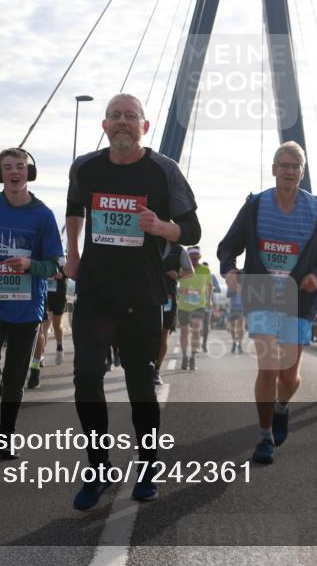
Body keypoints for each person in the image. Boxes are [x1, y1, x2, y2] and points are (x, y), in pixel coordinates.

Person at [64, 93, 200, 509]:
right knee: (87, 380)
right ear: (104, 125)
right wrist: (72, 251)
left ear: (145, 125)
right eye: (115, 116)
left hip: (142, 296)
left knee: (140, 386)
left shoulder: (163, 171)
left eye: (131, 116)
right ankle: (99, 468)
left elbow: (192, 229)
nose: (123, 122)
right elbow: (74, 208)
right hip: (95, 293)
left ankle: (147, 466)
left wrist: (163, 227)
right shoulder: (85, 167)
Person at [218, 141, 317, 465]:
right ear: (273, 169)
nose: (288, 171)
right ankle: (264, 436)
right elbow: (228, 245)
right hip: (261, 293)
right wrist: (230, 270)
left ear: (302, 172)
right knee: (269, 367)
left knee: (289, 376)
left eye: (294, 166)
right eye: (283, 165)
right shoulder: (256, 205)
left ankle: (283, 406)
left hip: (298, 297)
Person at [0, 148, 63, 458]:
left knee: (17, 379)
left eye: (20, 166)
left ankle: (6, 440)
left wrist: (30, 265)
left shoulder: (43, 215)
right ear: (0, 174)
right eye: (8, 167)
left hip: (27, 307)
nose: (14, 172)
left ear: (29, 172)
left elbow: (56, 266)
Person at [158, 243, 194, 385]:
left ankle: (156, 370)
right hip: (147, 295)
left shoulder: (179, 250)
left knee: (163, 334)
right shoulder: (148, 241)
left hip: (168, 297)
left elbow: (190, 271)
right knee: (147, 334)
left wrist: (178, 274)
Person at [27, 264, 68, 389]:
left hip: (58, 292)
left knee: (56, 324)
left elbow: (69, 271)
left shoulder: (63, 252)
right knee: (43, 325)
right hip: (44, 291)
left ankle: (59, 347)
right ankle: (40, 357)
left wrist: (63, 274)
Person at [177, 246, 212, 371]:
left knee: (196, 329)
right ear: (188, 258)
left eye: (196, 257)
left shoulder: (205, 270)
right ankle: (185, 355)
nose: (194, 260)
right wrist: (182, 290)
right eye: (192, 257)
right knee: (184, 331)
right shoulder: (182, 269)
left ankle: (193, 356)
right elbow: (175, 284)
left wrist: (209, 300)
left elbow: (209, 286)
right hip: (183, 306)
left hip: (199, 305)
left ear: (200, 257)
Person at [227, 280, 245, 354]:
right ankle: (234, 342)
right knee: (233, 328)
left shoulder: (245, 284)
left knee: (240, 327)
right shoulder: (231, 284)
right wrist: (235, 290)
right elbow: (228, 295)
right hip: (233, 308)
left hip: (242, 308)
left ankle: (240, 344)